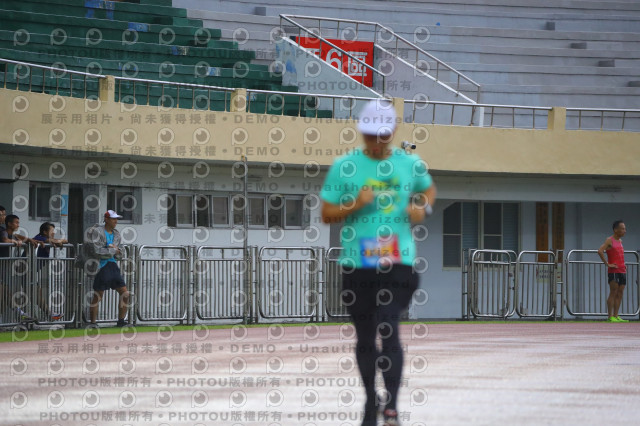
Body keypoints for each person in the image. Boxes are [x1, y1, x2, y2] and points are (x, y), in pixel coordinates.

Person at [321, 99, 437, 426]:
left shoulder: (409, 163)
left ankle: (392, 408)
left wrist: (422, 208)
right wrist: (354, 204)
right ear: (361, 131)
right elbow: (326, 214)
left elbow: (428, 190)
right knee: (365, 336)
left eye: (382, 134)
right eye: (370, 134)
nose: (375, 140)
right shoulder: (345, 166)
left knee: (388, 324)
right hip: (357, 265)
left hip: (398, 263)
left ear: (393, 131)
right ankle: (371, 400)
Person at [84, 210, 130, 328]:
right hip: (101, 266)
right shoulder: (97, 232)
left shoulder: (116, 234)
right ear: (106, 219)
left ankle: (121, 321)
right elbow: (97, 251)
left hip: (113, 265)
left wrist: (114, 250)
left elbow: (120, 252)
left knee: (125, 293)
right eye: (113, 219)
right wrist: (113, 250)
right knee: (98, 295)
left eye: (116, 219)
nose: (116, 221)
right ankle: (93, 323)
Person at [0, 214, 42, 321]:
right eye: (16, 222)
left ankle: (19, 314)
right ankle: (20, 314)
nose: (18, 225)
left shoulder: (12, 234)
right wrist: (14, 242)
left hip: (3, 269)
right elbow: (5, 240)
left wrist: (30, 240)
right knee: (4, 293)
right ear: (9, 224)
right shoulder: (3, 232)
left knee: (4, 293)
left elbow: (18, 237)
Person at [33, 222, 69, 321]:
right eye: (52, 231)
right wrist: (58, 242)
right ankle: (48, 314)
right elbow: (55, 241)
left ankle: (48, 314)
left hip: (32, 271)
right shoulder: (39, 238)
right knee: (34, 293)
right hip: (25, 270)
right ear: (45, 232)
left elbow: (65, 241)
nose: (54, 233)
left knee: (35, 293)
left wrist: (59, 241)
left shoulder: (48, 240)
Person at [598, 220, 629, 323]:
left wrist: (623, 264)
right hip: (614, 270)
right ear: (616, 230)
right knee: (613, 292)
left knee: (620, 292)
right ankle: (610, 316)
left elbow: (619, 254)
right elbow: (600, 251)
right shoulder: (609, 240)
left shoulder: (620, 241)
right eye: (622, 229)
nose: (625, 231)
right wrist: (607, 264)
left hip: (622, 270)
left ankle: (616, 315)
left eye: (625, 228)